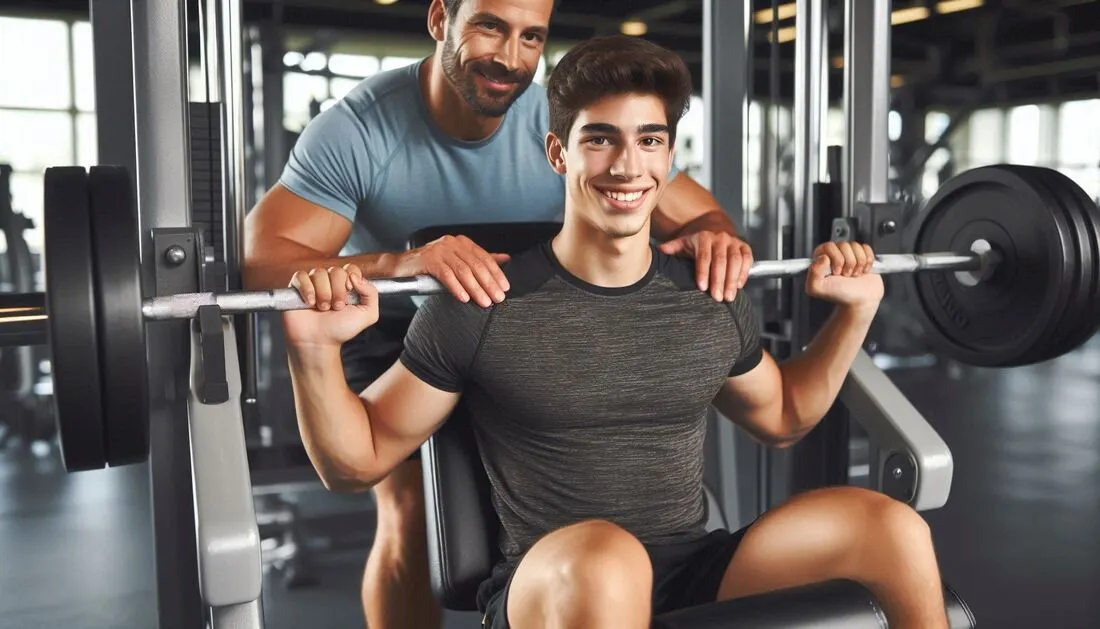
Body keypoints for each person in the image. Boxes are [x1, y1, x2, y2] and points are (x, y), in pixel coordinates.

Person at [280, 34, 951, 629]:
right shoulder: (483, 301)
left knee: (889, 525)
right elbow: (356, 458)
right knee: (609, 557)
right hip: (557, 579)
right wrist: (314, 350)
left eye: (649, 140)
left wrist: (854, 312)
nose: (628, 167)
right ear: (557, 153)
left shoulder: (705, 294)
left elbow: (783, 415)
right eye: (600, 138)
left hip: (695, 565)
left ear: (667, 156)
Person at [242, 0, 755, 626]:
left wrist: (714, 239)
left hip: (528, 320)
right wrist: (399, 265)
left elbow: (701, 214)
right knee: (409, 513)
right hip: (397, 321)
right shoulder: (359, 129)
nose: (510, 57)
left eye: (530, 37)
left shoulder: (574, 122)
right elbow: (264, 260)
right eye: (489, 27)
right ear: (440, 21)